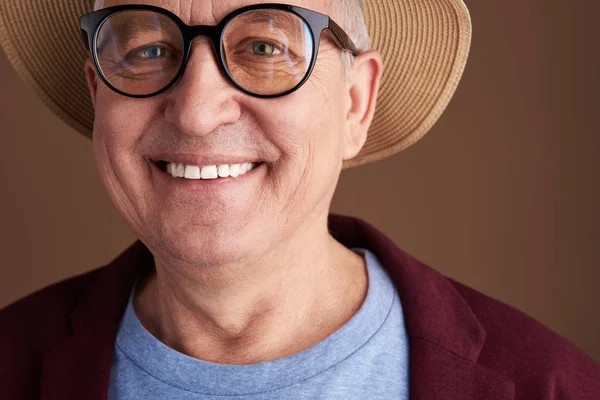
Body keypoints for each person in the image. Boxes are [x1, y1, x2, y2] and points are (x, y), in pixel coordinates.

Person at [0, 0, 598, 398]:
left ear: (355, 103)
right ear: (97, 95)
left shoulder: (551, 386)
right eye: (148, 50)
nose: (197, 111)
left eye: (263, 47)